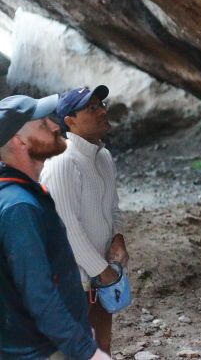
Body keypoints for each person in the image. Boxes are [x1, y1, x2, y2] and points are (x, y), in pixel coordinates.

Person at [0, 94, 111, 360]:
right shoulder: (19, 206)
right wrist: (87, 351)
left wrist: (80, 330)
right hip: (40, 350)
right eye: (42, 125)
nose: (54, 126)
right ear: (20, 141)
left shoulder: (23, 193)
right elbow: (39, 294)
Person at [40, 86, 128, 354]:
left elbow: (113, 208)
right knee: (76, 350)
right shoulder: (62, 162)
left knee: (102, 346)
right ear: (70, 121)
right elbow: (67, 228)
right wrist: (103, 271)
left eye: (102, 104)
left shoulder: (103, 156)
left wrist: (118, 238)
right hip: (73, 280)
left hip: (101, 276)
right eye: (91, 108)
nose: (102, 111)